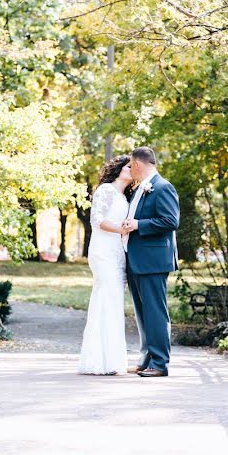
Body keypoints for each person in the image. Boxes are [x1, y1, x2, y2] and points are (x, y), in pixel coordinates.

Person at [121, 146, 180, 377]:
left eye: (131, 166)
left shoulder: (163, 187)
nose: (130, 170)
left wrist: (138, 225)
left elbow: (170, 220)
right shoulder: (139, 190)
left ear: (137, 165)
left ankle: (160, 363)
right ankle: (146, 358)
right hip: (137, 259)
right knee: (142, 313)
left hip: (153, 260)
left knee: (155, 313)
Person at [78, 155, 133, 375]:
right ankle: (103, 361)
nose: (132, 170)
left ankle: (108, 359)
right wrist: (122, 229)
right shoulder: (106, 190)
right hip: (103, 251)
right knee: (107, 298)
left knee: (111, 301)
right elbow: (97, 220)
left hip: (118, 252)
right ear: (118, 169)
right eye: (128, 167)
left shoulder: (125, 195)